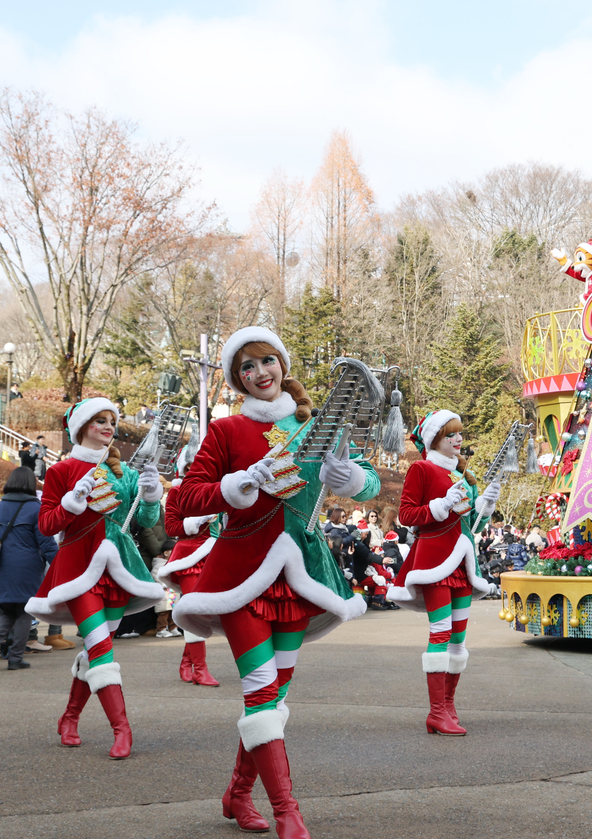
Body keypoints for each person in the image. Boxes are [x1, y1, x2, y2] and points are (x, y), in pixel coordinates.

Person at [172, 326, 379, 836]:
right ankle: (289, 813)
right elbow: (188, 497)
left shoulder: (318, 424)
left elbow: (369, 480)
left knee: (274, 698)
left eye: (267, 361)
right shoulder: (226, 431)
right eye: (247, 367)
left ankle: (239, 794)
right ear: (237, 379)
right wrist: (236, 485)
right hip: (241, 574)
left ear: (282, 365)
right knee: (261, 691)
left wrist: (351, 479)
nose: (260, 372)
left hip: (300, 576)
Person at [26, 398, 165, 760]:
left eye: (111, 421)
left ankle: (70, 718)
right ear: (82, 427)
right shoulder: (61, 470)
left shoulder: (126, 473)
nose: (108, 427)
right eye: (99, 420)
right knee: (102, 649)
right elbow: (46, 525)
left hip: (118, 569)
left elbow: (146, 521)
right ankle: (122, 729)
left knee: (94, 649)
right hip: (78, 568)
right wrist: (71, 503)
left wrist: (152, 495)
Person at [386, 410, 500, 737]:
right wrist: (441, 505)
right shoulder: (421, 468)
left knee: (458, 640)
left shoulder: (463, 474)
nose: (458, 439)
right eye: (451, 435)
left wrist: (486, 505)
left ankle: (448, 706)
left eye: (459, 433)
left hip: (463, 564)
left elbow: (471, 523)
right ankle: (436, 711)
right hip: (435, 562)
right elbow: (407, 515)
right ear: (435, 439)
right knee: (441, 632)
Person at [0, 467, 58, 671]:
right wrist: (59, 563)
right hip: (27, 565)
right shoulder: (35, 508)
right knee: (24, 612)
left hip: (2, 565)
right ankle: (15, 658)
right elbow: (46, 542)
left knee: (7, 610)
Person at [156, 446, 223, 688]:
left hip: (215, 555)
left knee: (205, 614)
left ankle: (187, 662)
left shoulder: (216, 489)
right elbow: (172, 527)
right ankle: (200, 669)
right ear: (185, 466)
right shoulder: (177, 491)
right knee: (194, 611)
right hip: (189, 558)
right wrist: (197, 521)